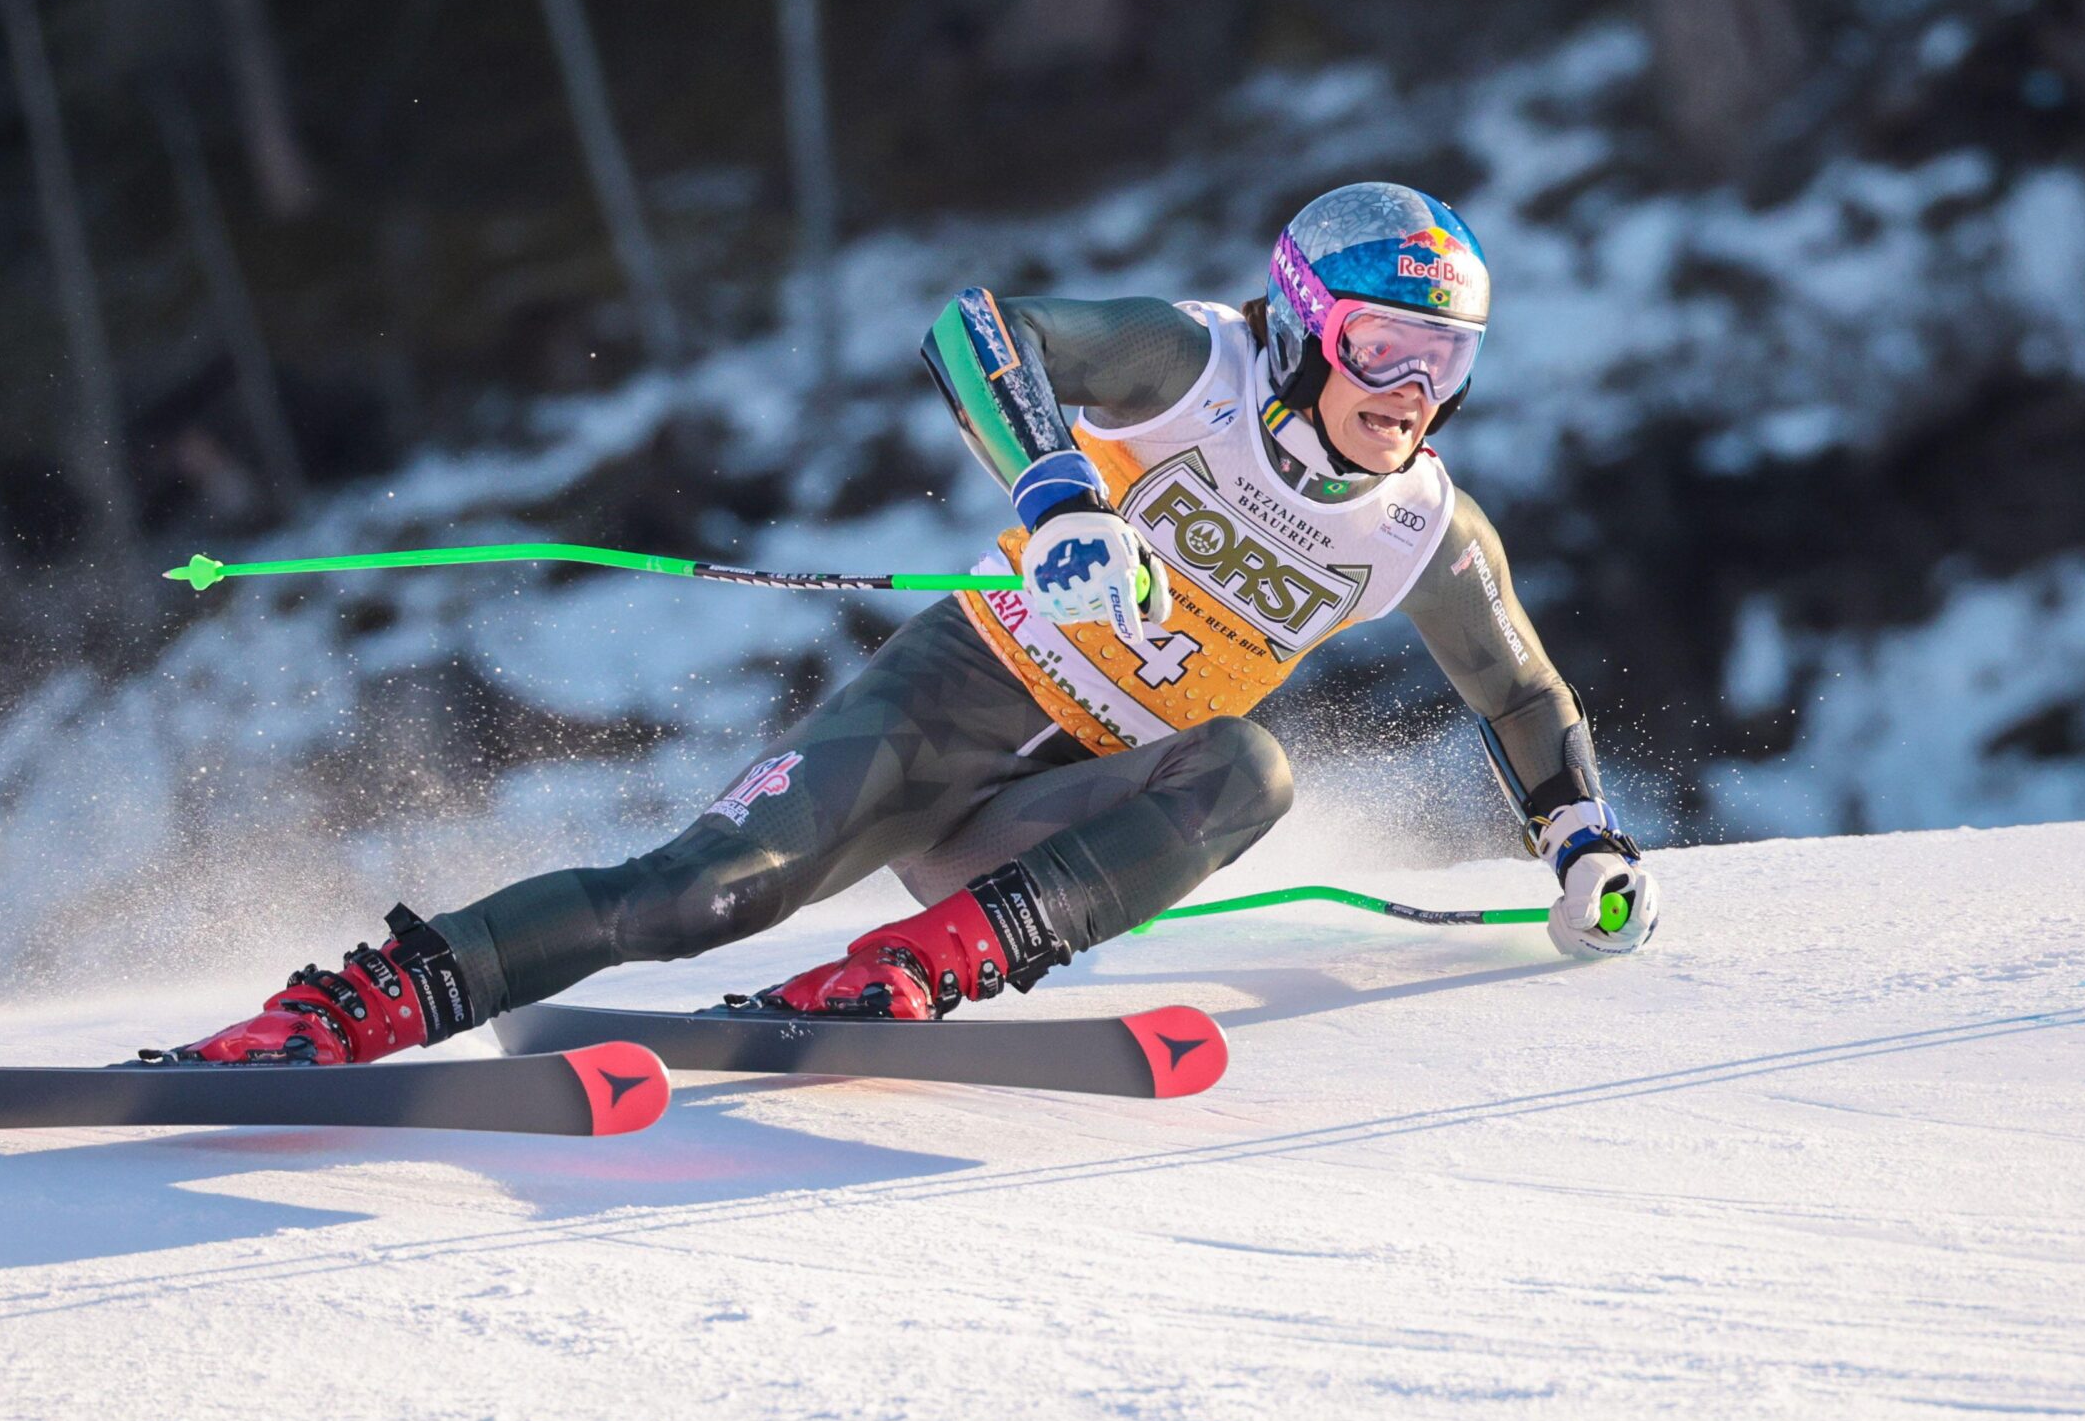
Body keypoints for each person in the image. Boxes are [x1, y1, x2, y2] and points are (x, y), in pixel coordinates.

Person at [167, 182, 1664, 1064]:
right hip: (949, 702)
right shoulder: (1186, 363)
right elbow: (972, 326)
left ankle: (917, 971)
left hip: (1062, 812)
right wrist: (1067, 495)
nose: (1409, 394)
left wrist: (1579, 838)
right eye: (1382, 346)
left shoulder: (1424, 528)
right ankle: (343, 1012)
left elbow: (1518, 695)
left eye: (1444, 361)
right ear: (1296, 324)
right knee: (708, 894)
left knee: (1250, 768)